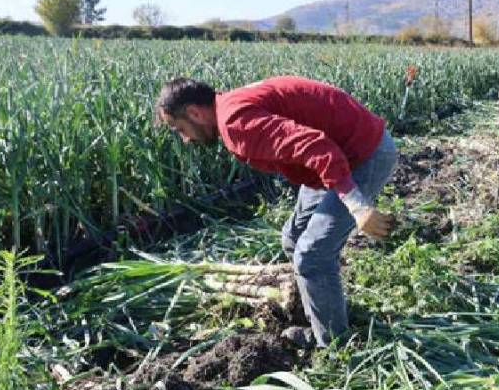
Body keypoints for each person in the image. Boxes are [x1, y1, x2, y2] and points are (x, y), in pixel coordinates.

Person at [155, 76, 398, 347]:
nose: (185, 139)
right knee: (293, 239)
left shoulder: (235, 122)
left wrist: (357, 205)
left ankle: (335, 345)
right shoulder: (229, 106)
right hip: (331, 160)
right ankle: (322, 315)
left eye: (180, 129)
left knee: (312, 256)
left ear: (194, 112)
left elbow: (316, 146)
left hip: (362, 154)